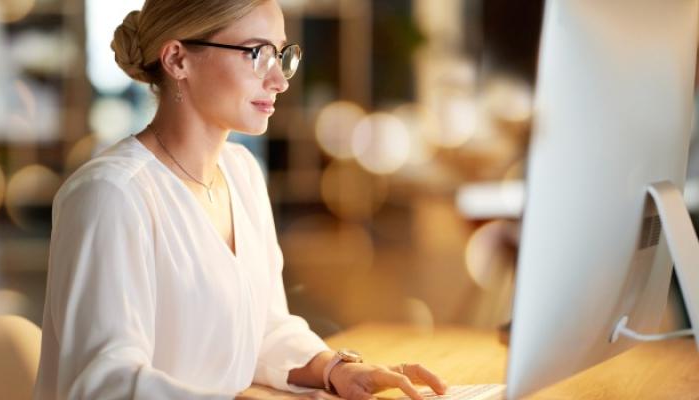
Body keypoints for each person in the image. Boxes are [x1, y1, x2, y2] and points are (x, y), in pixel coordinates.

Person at [33, 1, 448, 399]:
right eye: (256, 54)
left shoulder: (241, 173)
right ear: (178, 60)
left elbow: (262, 328)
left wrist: (336, 369)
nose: (280, 80)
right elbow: (102, 384)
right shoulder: (111, 195)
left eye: (282, 55)